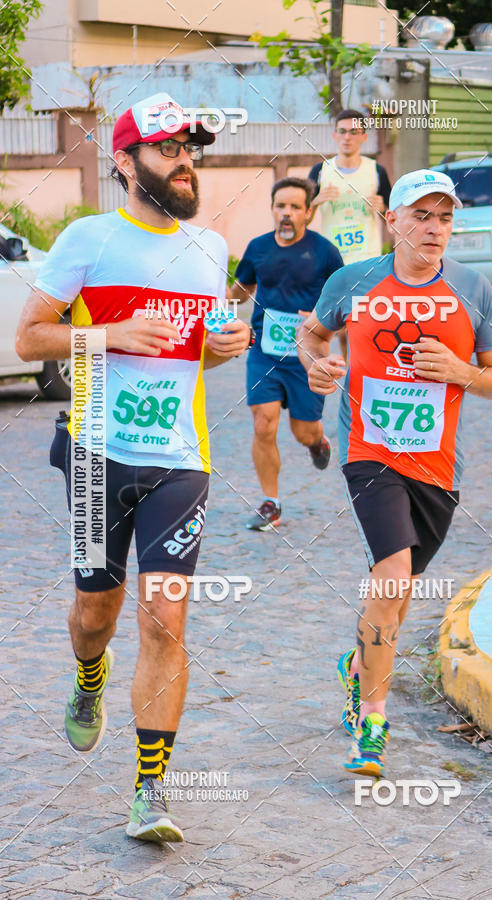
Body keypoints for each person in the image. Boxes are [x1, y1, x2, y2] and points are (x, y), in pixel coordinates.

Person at [15, 92, 252, 843]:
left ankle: (151, 790)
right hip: (96, 456)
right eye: (168, 149)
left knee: (166, 619)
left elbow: (198, 355)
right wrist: (109, 333)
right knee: (96, 614)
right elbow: (29, 339)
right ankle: (89, 678)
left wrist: (221, 349)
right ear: (126, 161)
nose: (186, 162)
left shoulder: (209, 250)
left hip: (180, 461)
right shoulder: (89, 239)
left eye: (190, 149)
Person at [298, 169, 492, 778]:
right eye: (421, 215)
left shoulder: (475, 290)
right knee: (389, 579)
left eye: (445, 217)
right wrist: (316, 365)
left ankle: (359, 666)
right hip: (370, 453)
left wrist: (460, 372)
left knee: (400, 586)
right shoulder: (352, 281)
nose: (434, 228)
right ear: (392, 220)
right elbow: (311, 334)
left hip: (438, 467)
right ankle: (372, 722)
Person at [233, 176, 344, 531]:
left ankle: (317, 441)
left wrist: (320, 317)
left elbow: (344, 304)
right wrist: (218, 300)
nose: (287, 213)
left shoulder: (325, 252)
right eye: (280, 206)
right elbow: (241, 289)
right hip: (264, 353)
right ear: (272, 208)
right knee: (263, 422)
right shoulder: (258, 248)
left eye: (295, 207)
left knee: (303, 432)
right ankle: (271, 503)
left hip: (307, 356)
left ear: (308, 212)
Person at [308, 108, 392, 359]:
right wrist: (315, 201)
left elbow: (394, 219)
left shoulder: (376, 171)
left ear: (364, 136)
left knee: (366, 323)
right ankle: (348, 372)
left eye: (354, 132)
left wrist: (382, 209)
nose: (347, 137)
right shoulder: (320, 171)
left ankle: (364, 369)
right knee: (339, 326)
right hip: (333, 262)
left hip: (368, 260)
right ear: (334, 135)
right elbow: (303, 217)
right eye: (342, 131)